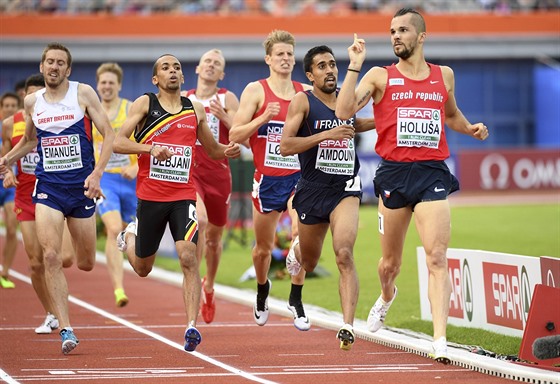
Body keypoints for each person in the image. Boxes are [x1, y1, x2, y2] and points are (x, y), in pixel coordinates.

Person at [335, 8, 489, 363]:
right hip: (393, 175)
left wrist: (470, 129)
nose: (395, 36)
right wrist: (355, 64)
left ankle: (440, 340)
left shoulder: (443, 75)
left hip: (433, 172)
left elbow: (450, 115)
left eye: (402, 30)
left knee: (437, 256)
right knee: (389, 264)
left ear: (421, 36)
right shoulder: (378, 76)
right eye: (391, 31)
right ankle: (387, 296)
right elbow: (344, 111)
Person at [113, 54, 240, 352]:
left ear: (183, 77)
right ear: (156, 79)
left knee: (188, 257)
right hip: (151, 195)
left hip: (183, 194)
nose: (173, 71)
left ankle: (191, 327)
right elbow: (118, 142)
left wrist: (228, 150)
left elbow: (210, 148)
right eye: (165, 68)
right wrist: (149, 148)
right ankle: (128, 236)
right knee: (143, 268)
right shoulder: (145, 104)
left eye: (177, 68)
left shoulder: (194, 108)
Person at [0, 42, 115, 354]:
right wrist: (8, 159)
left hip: (81, 189)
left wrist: (97, 174)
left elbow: (109, 133)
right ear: (41, 67)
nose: (54, 67)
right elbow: (30, 141)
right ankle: (66, 328)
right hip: (48, 188)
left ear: (68, 69)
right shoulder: (32, 101)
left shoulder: (82, 93)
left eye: (60, 63)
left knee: (87, 262)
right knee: (50, 256)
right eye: (49, 62)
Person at [279, 45, 375, 350]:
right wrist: (324, 135)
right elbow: (285, 145)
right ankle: (295, 251)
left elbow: (353, 124)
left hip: (345, 187)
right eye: (322, 66)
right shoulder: (302, 101)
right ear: (310, 74)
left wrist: (386, 121)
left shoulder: (347, 98)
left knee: (344, 253)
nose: (330, 70)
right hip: (311, 190)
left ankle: (348, 325)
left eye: (333, 64)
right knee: (308, 260)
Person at [229, 30, 311, 331]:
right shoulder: (256, 91)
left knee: (301, 236)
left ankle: (296, 297)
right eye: (280, 54)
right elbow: (235, 135)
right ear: (268, 59)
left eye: (290, 54)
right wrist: (263, 118)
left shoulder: (305, 92)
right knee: (262, 249)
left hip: (300, 178)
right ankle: (263, 291)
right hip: (267, 180)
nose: (286, 59)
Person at [2, 73, 75, 334]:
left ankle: (58, 292)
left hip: (52, 190)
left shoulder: (57, 117)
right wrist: (8, 172)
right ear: (25, 97)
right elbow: (6, 157)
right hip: (24, 196)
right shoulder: (11, 124)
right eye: (30, 95)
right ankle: (52, 313)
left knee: (64, 258)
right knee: (35, 263)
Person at [181, 49, 240, 324]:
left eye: (217, 63)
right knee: (200, 221)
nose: (211, 66)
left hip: (218, 172)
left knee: (215, 240)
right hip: (190, 170)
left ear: (221, 74)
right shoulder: (185, 99)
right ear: (197, 67)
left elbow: (243, 134)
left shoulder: (227, 98)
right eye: (207, 61)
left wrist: (225, 117)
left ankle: (209, 285)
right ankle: (193, 277)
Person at [93, 62, 136, 308]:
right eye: (103, 82)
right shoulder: (91, 110)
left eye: (111, 82)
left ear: (118, 85)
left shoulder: (130, 109)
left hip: (131, 180)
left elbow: (146, 141)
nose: (107, 86)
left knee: (132, 231)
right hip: (106, 180)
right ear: (98, 85)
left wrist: (137, 167)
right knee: (112, 228)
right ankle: (119, 289)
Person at [0, 92, 21, 288]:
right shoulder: (3, 129)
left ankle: (5, 272)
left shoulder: (23, 130)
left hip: (10, 185)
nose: (9, 108)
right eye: (5, 105)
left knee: (13, 229)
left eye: (13, 105)